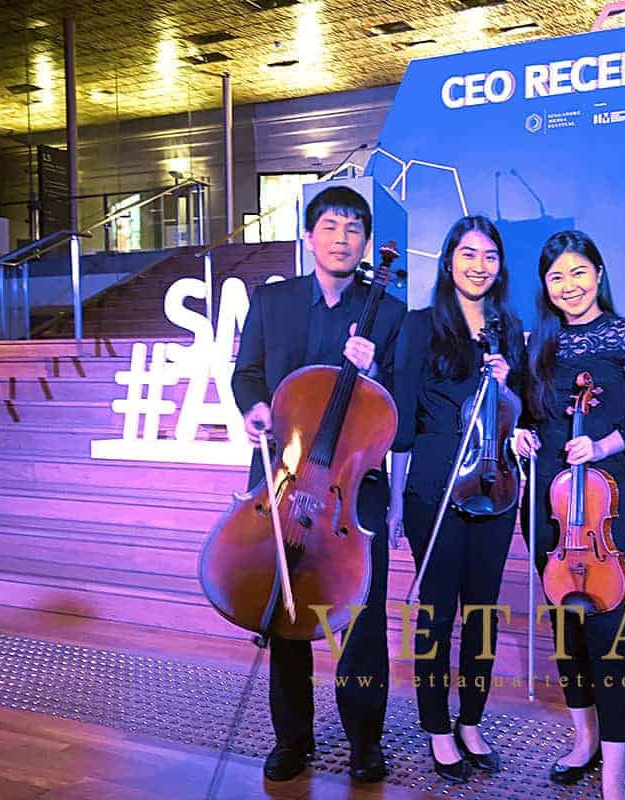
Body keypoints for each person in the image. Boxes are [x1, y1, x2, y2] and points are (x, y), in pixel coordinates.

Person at [231, 185, 406, 785]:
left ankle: (364, 741)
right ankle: (293, 739)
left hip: (352, 493)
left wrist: (377, 368)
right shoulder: (272, 301)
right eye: (330, 226)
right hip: (285, 478)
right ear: (310, 236)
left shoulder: (389, 310)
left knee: (360, 618)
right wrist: (255, 409)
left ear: (364, 243)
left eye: (353, 229)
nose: (342, 238)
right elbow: (247, 373)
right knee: (285, 613)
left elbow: (399, 406)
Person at [513, 230, 625, 800]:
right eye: (556, 277)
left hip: (607, 506)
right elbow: (525, 414)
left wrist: (602, 447)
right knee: (566, 627)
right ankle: (584, 740)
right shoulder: (537, 345)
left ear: (598, 272)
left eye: (578, 272)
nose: (568, 286)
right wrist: (519, 435)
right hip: (550, 501)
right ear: (545, 287)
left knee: (609, 633)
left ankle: (615, 773)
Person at [388, 215, 526, 784]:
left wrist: (508, 382)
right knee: (437, 612)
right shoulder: (421, 327)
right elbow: (401, 419)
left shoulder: (510, 329)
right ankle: (436, 727)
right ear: (448, 262)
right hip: (435, 489)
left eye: (490, 256)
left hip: (495, 487)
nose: (479, 265)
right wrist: (397, 502)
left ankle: (470, 719)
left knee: (482, 612)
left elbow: (524, 410)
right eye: (468, 254)